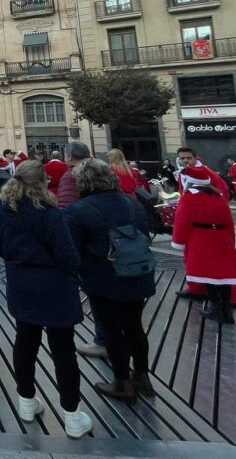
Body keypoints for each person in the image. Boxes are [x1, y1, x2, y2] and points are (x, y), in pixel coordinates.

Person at [0, 160, 92, 439]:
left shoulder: (3, 210)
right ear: (42, 183)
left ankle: (26, 402)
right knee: (63, 351)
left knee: (25, 342)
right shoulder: (50, 213)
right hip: (55, 287)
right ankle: (72, 415)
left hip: (21, 284)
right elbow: (68, 255)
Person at [65, 160, 156, 400]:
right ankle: (142, 377)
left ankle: (122, 383)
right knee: (135, 326)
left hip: (105, 280)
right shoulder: (132, 203)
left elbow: (71, 251)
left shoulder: (78, 210)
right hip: (139, 272)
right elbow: (145, 233)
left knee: (113, 331)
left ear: (83, 183)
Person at [171, 166, 236, 324]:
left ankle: (216, 309)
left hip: (200, 239)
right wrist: (230, 240)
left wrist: (178, 242)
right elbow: (228, 222)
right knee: (223, 276)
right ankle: (226, 311)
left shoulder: (189, 198)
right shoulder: (218, 197)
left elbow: (182, 222)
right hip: (221, 238)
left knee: (208, 276)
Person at [56, 142, 92, 209]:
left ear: (69, 156)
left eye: (65, 155)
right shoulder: (100, 170)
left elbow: (66, 206)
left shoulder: (70, 175)